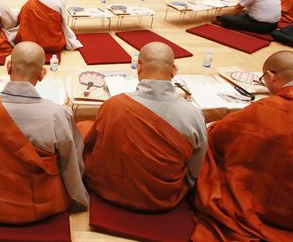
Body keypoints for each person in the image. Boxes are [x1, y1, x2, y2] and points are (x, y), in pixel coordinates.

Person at [193, 51, 293, 241]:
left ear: (271, 76)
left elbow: (221, 134)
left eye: (263, 78)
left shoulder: (270, 109)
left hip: (288, 203)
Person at [0, 41, 89, 224]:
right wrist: (78, 196)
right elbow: (70, 162)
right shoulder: (58, 115)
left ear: (8, 67)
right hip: (41, 203)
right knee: (83, 132)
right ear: (42, 74)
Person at [79, 42, 206, 211]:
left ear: (138, 68)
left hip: (106, 189)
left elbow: (91, 144)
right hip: (163, 198)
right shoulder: (193, 114)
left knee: (83, 127)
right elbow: (195, 168)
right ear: (174, 70)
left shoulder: (114, 105)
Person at [15, 0, 82, 52]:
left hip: (32, 46)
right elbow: (64, 25)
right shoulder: (60, 2)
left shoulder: (28, 4)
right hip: (54, 45)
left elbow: (20, 22)